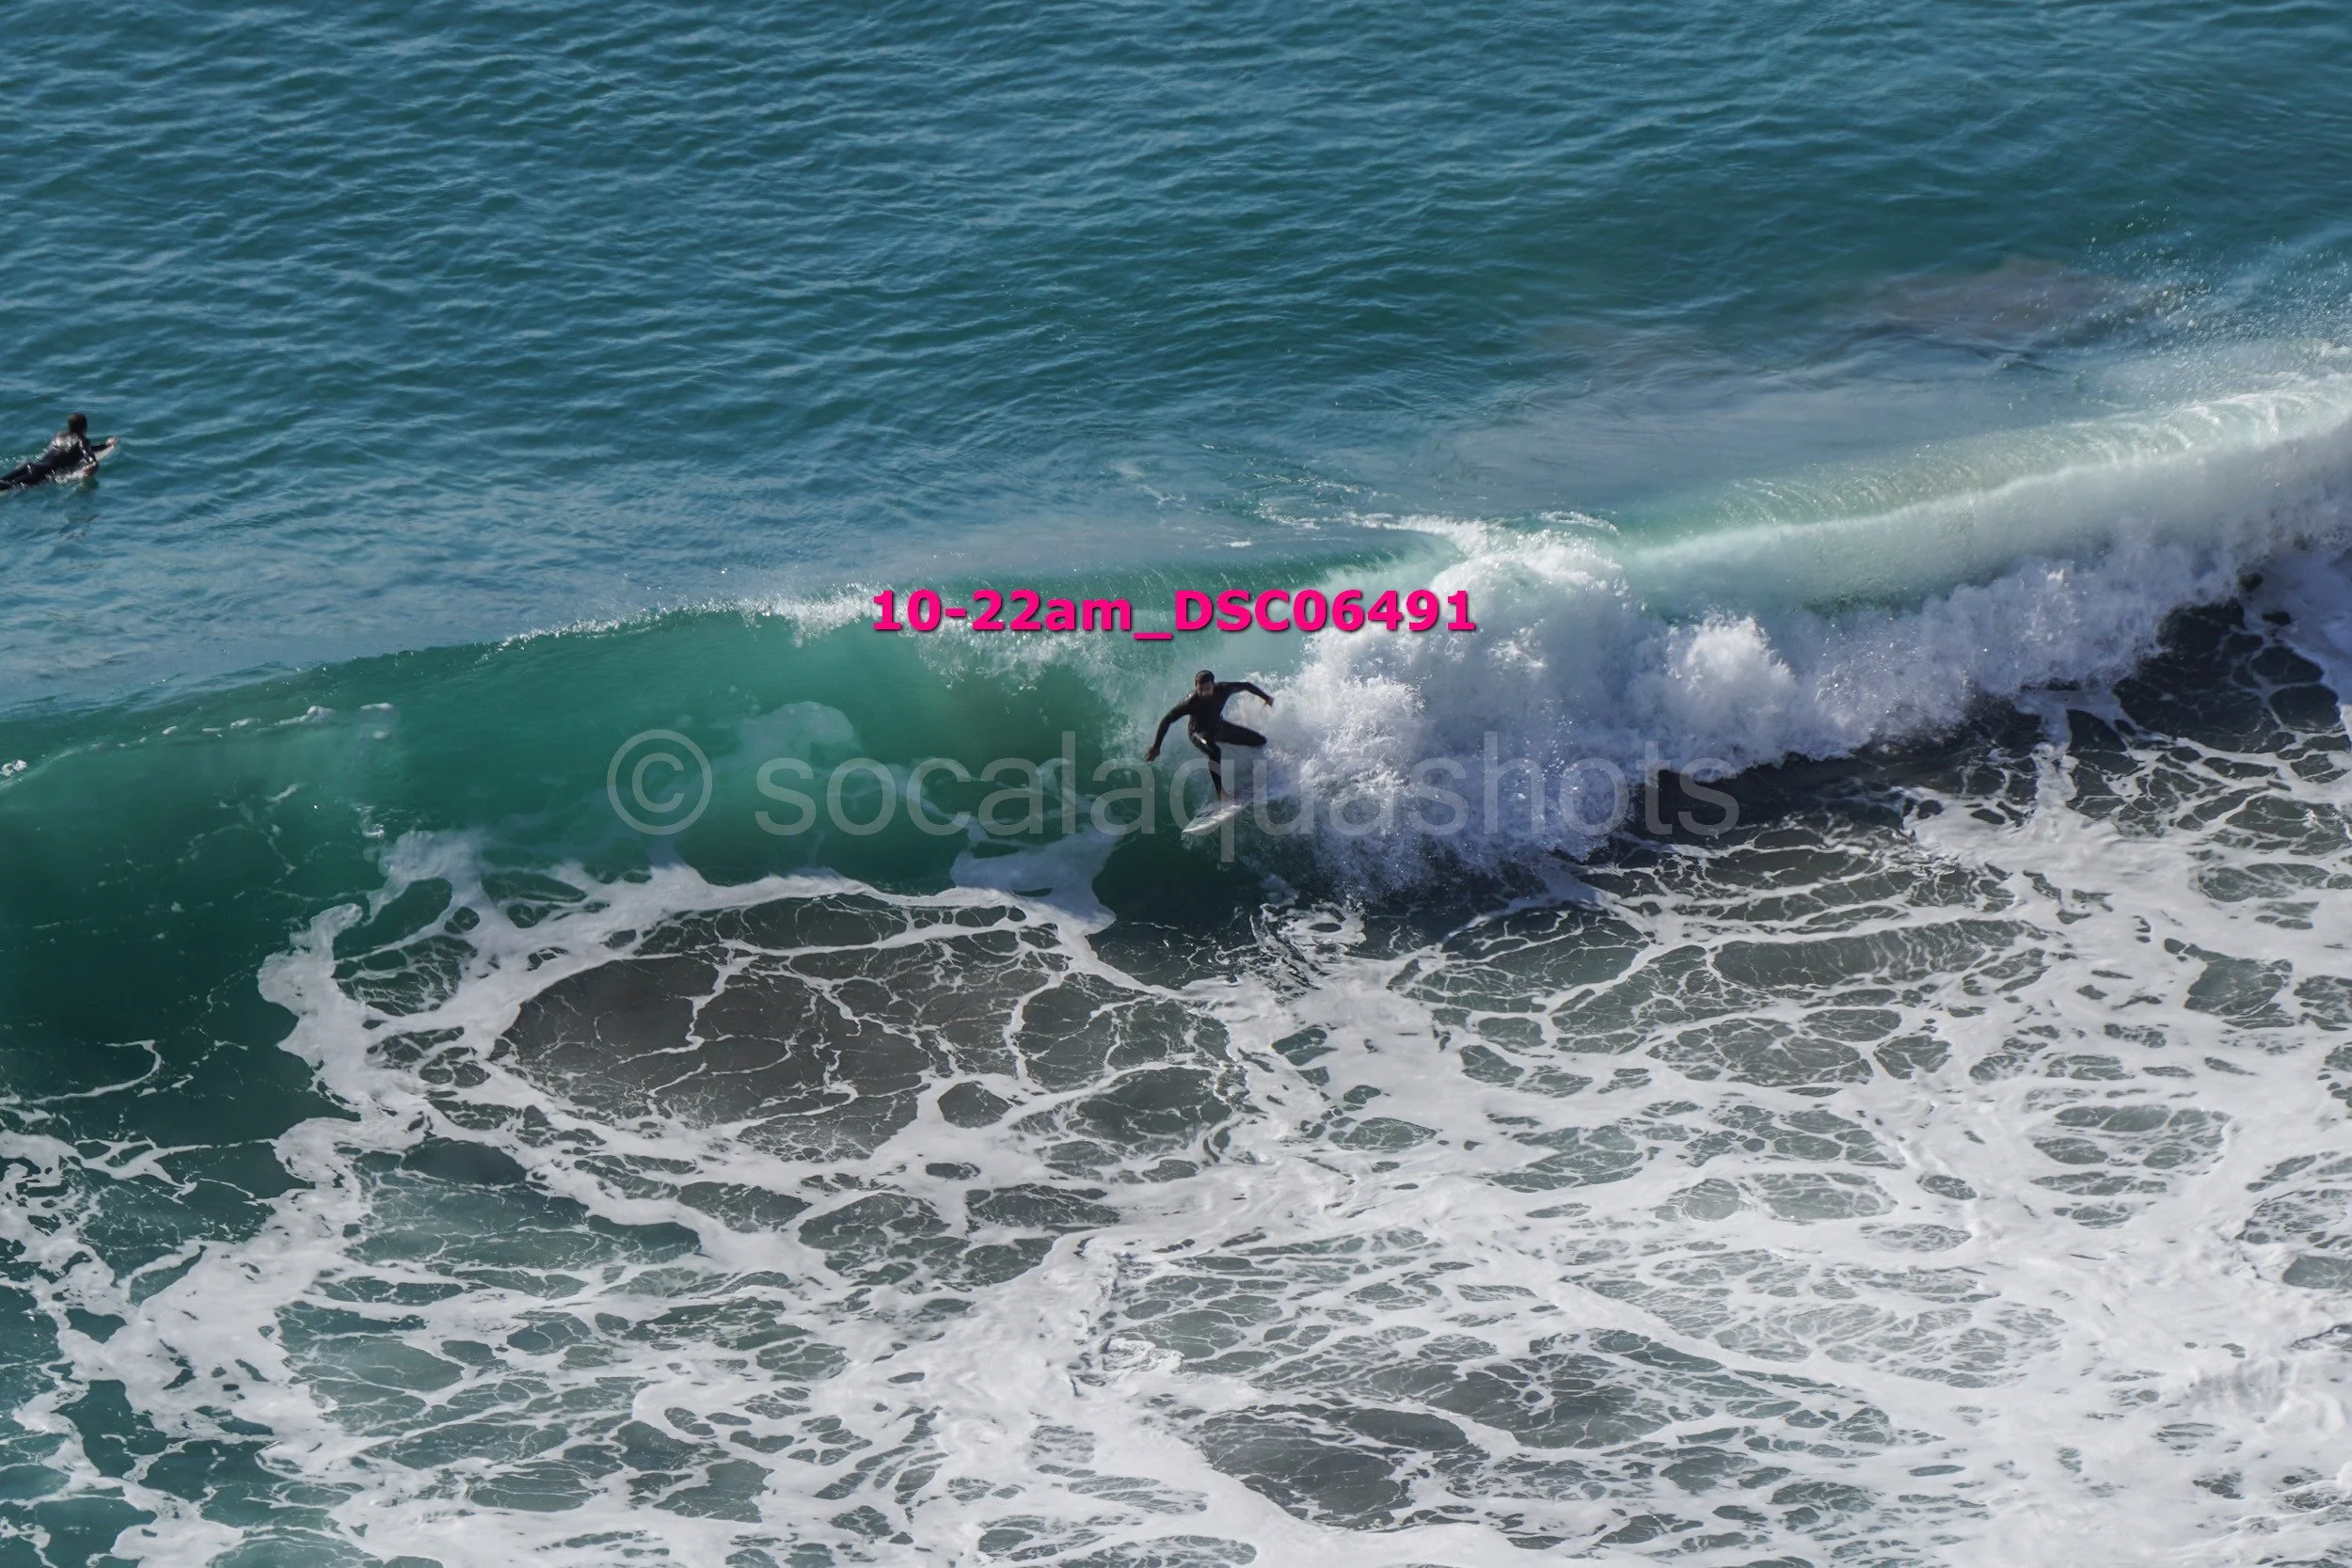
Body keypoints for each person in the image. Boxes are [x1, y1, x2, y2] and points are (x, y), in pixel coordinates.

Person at [1146, 670, 1274, 800]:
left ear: (1213, 685)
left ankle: (1261, 770)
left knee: (1260, 741)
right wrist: (1157, 746)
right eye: (1200, 689)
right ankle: (1221, 793)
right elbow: (1167, 719)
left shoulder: (1224, 689)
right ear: (1196, 687)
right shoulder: (1190, 702)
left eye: (1207, 689)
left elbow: (1247, 685)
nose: (1203, 693)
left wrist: (1267, 698)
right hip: (1198, 732)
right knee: (1214, 752)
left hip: (1219, 727)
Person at [2, 413, 104, 492]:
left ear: (69, 426)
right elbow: (87, 454)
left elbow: (77, 449)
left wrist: (104, 445)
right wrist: (94, 463)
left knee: (3, 481)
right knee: (9, 487)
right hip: (41, 473)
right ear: (85, 427)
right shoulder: (82, 440)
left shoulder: (59, 435)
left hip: (29, 465)